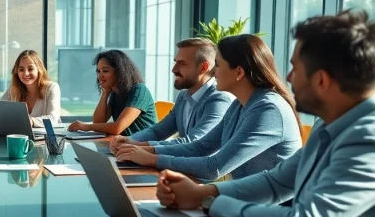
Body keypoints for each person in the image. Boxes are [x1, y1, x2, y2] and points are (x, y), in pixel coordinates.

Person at [156, 11, 375, 217]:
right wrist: (202, 194)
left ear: (321, 80)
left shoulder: (366, 139)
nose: (288, 76)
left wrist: (210, 203)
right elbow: (277, 182)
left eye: (296, 68)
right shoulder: (331, 123)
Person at [116, 34, 302, 180]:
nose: (213, 72)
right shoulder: (239, 104)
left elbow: (214, 167)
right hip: (242, 202)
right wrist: (141, 150)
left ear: (239, 72)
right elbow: (200, 147)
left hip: (269, 214)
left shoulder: (268, 110)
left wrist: (150, 158)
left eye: (218, 65)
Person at [110, 38, 233, 153]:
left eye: (182, 63)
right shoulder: (184, 96)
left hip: (199, 174)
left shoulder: (218, 100)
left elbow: (192, 143)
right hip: (180, 167)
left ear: (203, 67)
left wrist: (140, 147)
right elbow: (158, 131)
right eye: (175, 62)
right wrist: (131, 140)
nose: (174, 69)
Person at [68, 50, 156, 135]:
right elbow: (99, 122)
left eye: (105, 71)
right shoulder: (115, 94)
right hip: (128, 145)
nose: (100, 76)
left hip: (145, 146)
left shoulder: (139, 90)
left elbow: (117, 128)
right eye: (98, 71)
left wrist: (86, 126)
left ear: (120, 72)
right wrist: (105, 93)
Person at [0, 50, 61, 127]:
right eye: (21, 69)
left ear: (39, 69)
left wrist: (32, 121)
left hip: (48, 138)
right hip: (20, 137)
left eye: (30, 69)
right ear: (17, 71)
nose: (26, 73)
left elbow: (53, 119)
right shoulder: (13, 90)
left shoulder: (52, 88)